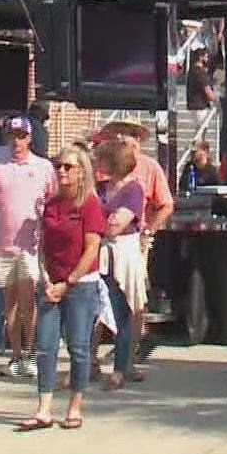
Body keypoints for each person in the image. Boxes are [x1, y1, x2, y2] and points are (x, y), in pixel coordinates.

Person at [17, 144, 105, 432]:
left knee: (78, 348)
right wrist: (45, 277)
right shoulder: (52, 204)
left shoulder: (89, 205)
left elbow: (92, 248)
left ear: (82, 172)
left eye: (68, 167)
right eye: (58, 166)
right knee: (45, 346)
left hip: (80, 284)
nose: (62, 172)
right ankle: (43, 409)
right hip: (50, 283)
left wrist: (69, 283)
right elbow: (43, 244)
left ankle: (75, 406)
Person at [0, 115, 54, 379]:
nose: (17, 141)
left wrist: (48, 236)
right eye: (12, 136)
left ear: (30, 137)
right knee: (9, 303)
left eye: (21, 136)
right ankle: (16, 355)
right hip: (3, 243)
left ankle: (31, 353)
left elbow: (53, 205)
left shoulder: (44, 167)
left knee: (28, 300)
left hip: (32, 245)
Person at [92, 139, 146, 392]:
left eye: (102, 159)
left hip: (122, 253)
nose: (97, 163)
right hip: (98, 253)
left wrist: (98, 224)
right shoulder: (100, 188)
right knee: (93, 312)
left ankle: (120, 368)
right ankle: (89, 364)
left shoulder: (134, 190)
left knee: (121, 311)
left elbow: (116, 225)